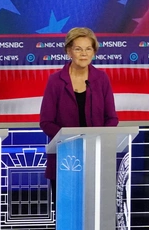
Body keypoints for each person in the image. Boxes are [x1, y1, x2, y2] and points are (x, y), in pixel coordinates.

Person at [39, 27, 119, 187]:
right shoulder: (55, 81)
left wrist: (97, 138)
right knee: (66, 208)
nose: (84, 53)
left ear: (94, 52)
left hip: (95, 155)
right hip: (65, 157)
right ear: (69, 52)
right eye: (78, 49)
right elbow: (46, 122)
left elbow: (112, 118)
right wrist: (71, 140)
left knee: (94, 208)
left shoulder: (101, 79)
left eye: (88, 49)